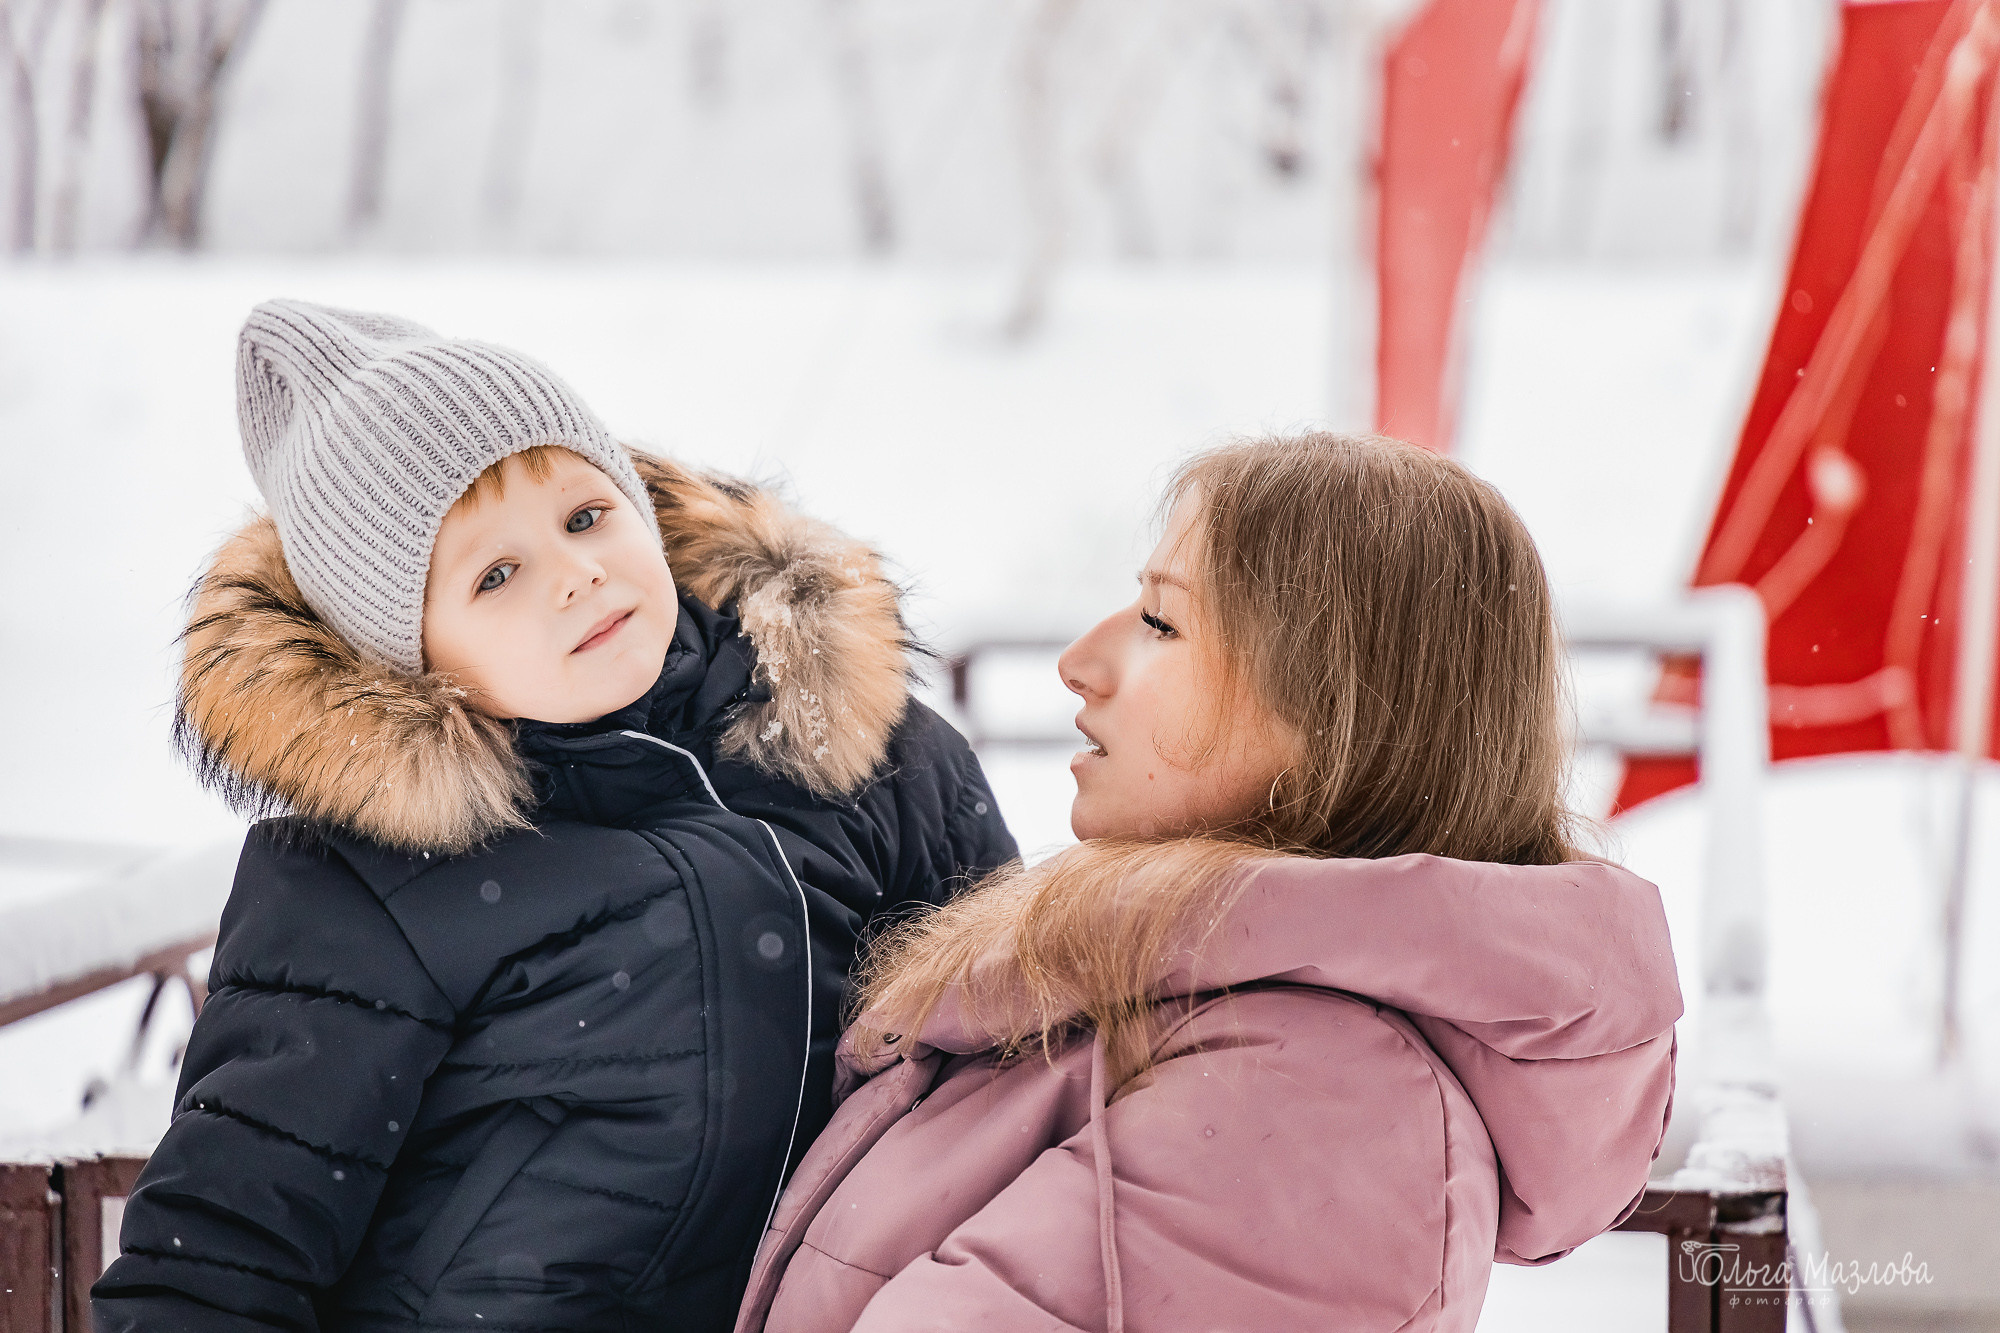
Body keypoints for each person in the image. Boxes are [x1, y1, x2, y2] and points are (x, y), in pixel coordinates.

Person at [92, 300, 1016, 1332]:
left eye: (585, 516)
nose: (576, 574)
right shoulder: (364, 879)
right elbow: (223, 1251)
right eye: (495, 574)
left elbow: (1030, 1054)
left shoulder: (861, 751)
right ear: (409, 659)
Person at [734, 433, 1685, 1333]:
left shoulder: (1319, 1102)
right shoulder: (1189, 1004)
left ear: (1337, 722)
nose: (1082, 665)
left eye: (1160, 621)